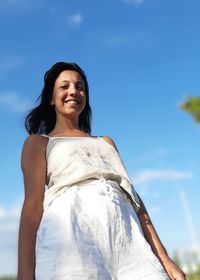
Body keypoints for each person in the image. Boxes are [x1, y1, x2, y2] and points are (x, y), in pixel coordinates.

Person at [17, 62, 186, 280]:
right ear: (51, 98)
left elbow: (135, 201)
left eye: (80, 87)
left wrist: (164, 258)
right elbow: (32, 206)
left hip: (128, 239)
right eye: (64, 86)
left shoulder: (106, 142)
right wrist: (25, 273)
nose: (73, 91)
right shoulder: (39, 143)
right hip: (72, 240)